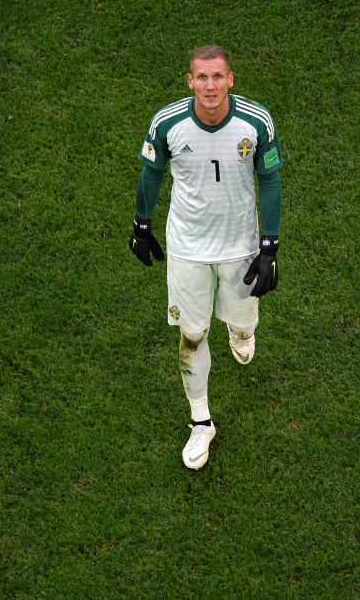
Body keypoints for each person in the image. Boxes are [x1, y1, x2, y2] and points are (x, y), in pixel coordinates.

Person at [129, 45, 283, 470]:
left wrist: (270, 245)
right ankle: (201, 422)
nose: (210, 85)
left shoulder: (257, 121)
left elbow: (269, 181)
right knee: (191, 335)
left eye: (218, 77)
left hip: (240, 246)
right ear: (190, 81)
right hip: (189, 249)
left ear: (231, 79)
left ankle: (240, 330)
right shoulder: (167, 123)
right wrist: (141, 224)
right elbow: (151, 174)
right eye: (202, 77)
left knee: (244, 319)